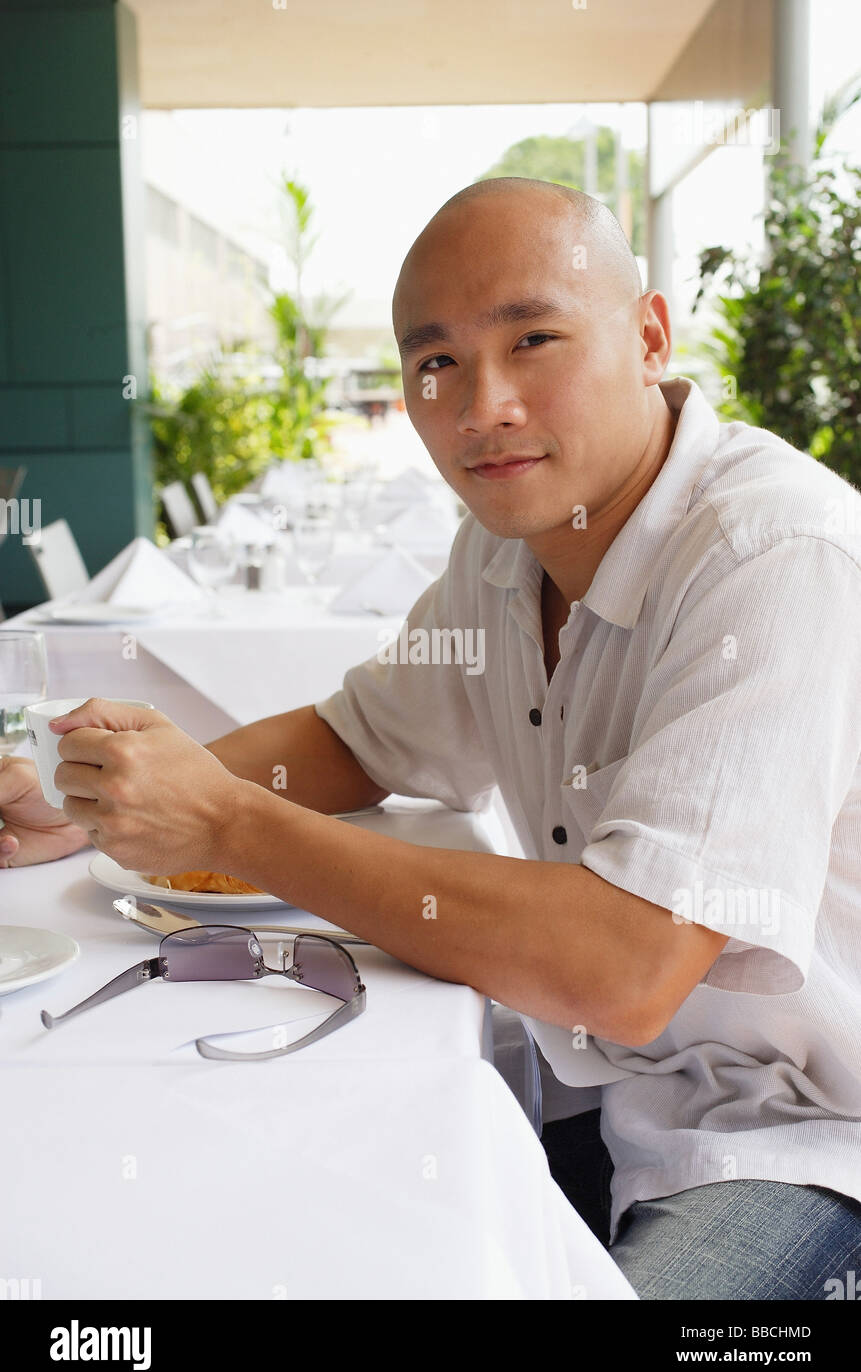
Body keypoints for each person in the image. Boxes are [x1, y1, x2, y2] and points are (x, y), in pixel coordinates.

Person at [2, 177, 860, 1300]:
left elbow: (629, 965)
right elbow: (354, 738)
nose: (480, 405)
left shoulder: (773, 555)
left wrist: (228, 821)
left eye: (534, 338)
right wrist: (101, 801)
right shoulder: (504, 556)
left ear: (650, 336)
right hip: (603, 1091)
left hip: (803, 1138)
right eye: (436, 361)